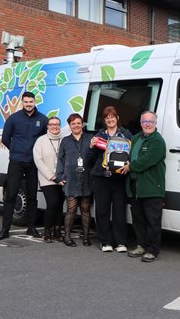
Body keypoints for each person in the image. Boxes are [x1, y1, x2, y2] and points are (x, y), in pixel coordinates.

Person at [0, 91, 48, 240]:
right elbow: (5, 138)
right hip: (16, 162)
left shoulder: (43, 120)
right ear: (22, 102)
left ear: (34, 102)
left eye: (31, 102)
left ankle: (31, 228)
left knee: (32, 196)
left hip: (33, 162)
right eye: (26, 102)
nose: (28, 104)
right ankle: (5, 229)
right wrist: (15, 150)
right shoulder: (13, 118)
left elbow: (44, 140)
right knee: (11, 195)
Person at [123, 111, 166, 263]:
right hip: (135, 186)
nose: (147, 124)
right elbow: (126, 156)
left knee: (152, 220)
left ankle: (152, 250)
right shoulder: (135, 138)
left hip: (152, 187)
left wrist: (130, 166)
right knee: (138, 219)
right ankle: (141, 245)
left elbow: (146, 161)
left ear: (155, 124)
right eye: (144, 121)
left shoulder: (157, 141)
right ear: (141, 123)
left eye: (151, 122)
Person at [89, 106, 132, 253]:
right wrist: (91, 146)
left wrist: (129, 164)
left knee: (120, 211)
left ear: (117, 118)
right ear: (104, 120)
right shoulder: (99, 135)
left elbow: (131, 154)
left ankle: (120, 242)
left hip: (119, 178)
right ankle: (105, 241)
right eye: (107, 117)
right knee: (102, 210)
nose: (110, 119)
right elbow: (91, 158)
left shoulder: (126, 134)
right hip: (101, 178)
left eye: (112, 117)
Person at [55, 113, 94, 247]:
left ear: (82, 124)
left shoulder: (90, 138)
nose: (76, 125)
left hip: (86, 179)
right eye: (73, 124)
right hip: (70, 179)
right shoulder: (65, 141)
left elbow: (95, 157)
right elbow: (60, 160)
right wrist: (59, 177)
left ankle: (86, 237)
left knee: (85, 209)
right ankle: (67, 236)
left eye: (78, 123)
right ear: (70, 126)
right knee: (71, 209)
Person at [33, 116, 65, 242]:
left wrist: (62, 177)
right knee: (52, 203)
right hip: (48, 179)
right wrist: (52, 177)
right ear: (47, 126)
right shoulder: (41, 141)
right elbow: (38, 161)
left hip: (62, 179)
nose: (54, 126)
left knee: (60, 205)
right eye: (51, 124)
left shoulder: (65, 140)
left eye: (57, 124)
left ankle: (57, 230)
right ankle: (47, 231)